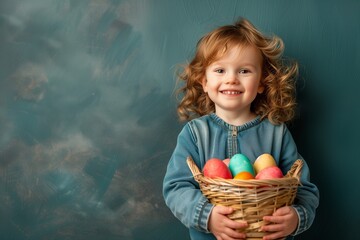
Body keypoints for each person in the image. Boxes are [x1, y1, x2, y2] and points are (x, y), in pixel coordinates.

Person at [163, 17, 319, 240]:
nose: (232, 79)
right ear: (204, 82)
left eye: (244, 71)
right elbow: (175, 187)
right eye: (220, 70)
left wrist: (296, 217)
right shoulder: (195, 134)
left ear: (262, 82)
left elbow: (302, 186)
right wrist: (207, 215)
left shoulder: (276, 133)